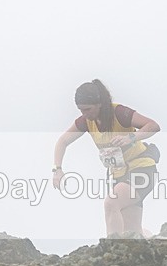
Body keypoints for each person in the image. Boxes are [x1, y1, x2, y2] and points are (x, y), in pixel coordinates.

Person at [52, 79, 160, 236]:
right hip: (119, 175)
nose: (85, 114)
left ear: (99, 104)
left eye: (87, 109)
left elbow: (153, 126)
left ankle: (109, 251)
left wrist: (131, 137)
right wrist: (57, 170)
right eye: (81, 110)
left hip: (141, 168)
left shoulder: (119, 113)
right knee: (131, 233)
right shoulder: (86, 122)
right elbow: (62, 142)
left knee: (111, 203)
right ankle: (153, 239)